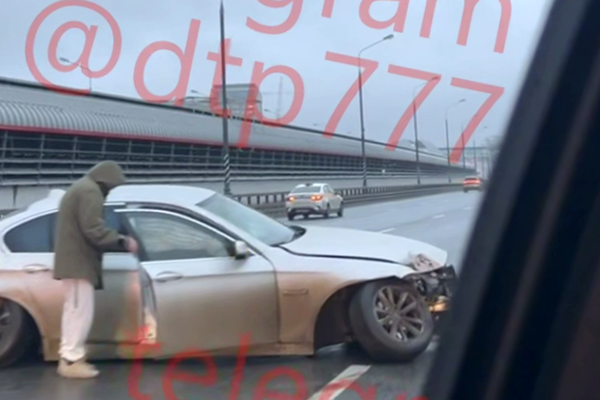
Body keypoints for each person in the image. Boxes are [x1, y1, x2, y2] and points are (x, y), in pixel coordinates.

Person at [53, 160, 138, 379]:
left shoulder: (82, 187)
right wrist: (122, 241)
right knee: (79, 312)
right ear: (106, 181)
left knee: (75, 310)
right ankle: (71, 360)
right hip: (78, 263)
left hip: (75, 261)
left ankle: (73, 357)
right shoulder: (90, 192)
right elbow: (93, 229)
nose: (111, 190)